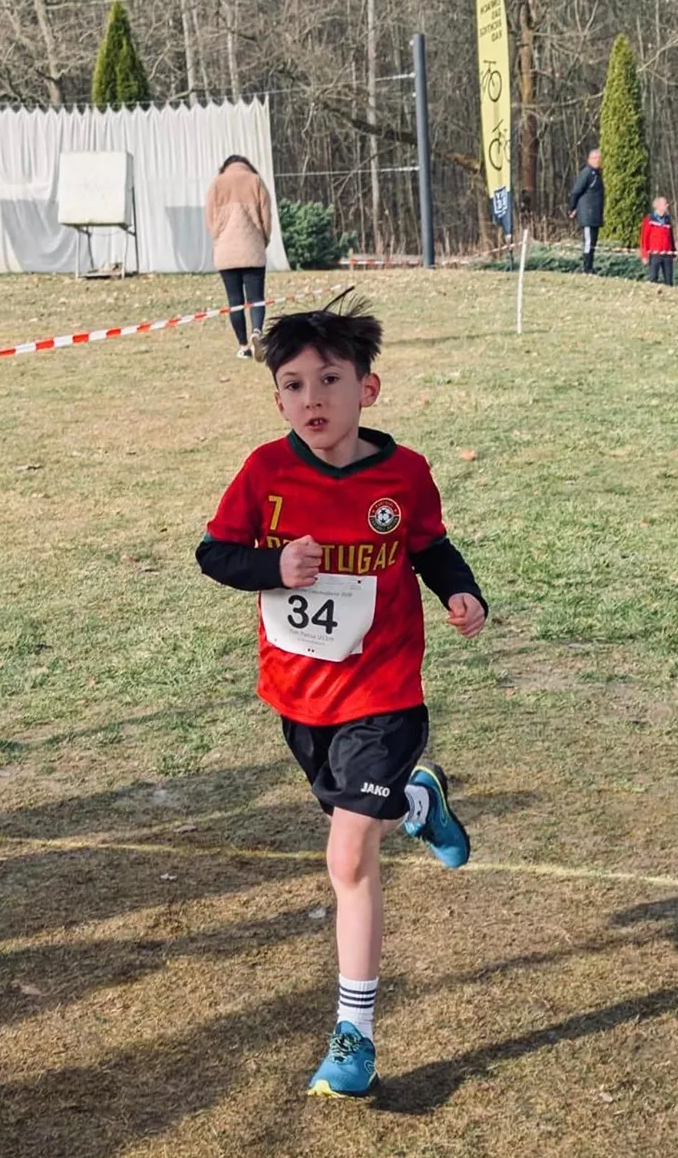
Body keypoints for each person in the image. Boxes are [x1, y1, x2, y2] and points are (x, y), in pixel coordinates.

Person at [195, 295, 487, 1098]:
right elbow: (214, 554)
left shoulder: (404, 474)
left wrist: (461, 592)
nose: (312, 399)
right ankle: (421, 803)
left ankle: (353, 1036)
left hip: (384, 691)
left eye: (329, 380)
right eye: (293, 386)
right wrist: (273, 567)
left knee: (347, 856)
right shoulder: (265, 472)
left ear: (368, 388)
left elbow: (430, 545)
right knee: (363, 821)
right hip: (299, 695)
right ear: (277, 399)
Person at [205, 155, 272, 361]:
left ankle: (243, 346)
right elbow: (266, 217)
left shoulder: (217, 184)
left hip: (226, 253)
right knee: (256, 298)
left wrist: (219, 238)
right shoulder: (255, 181)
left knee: (234, 301)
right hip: (252, 250)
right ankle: (257, 332)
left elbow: (210, 220)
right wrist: (263, 240)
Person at [569, 148, 605, 274]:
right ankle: (587, 267)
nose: (598, 160)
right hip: (587, 215)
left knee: (593, 243)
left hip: (595, 215)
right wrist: (572, 208)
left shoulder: (597, 174)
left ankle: (591, 266)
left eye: (599, 158)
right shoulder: (587, 173)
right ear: (590, 159)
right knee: (588, 242)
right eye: (595, 158)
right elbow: (576, 191)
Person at [640, 196, 677, 286]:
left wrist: (673, 253)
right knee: (653, 278)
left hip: (667, 254)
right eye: (665, 204)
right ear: (658, 206)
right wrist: (644, 255)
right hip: (654, 254)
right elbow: (644, 238)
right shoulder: (649, 219)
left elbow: (671, 237)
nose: (667, 206)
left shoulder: (667, 219)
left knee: (669, 280)